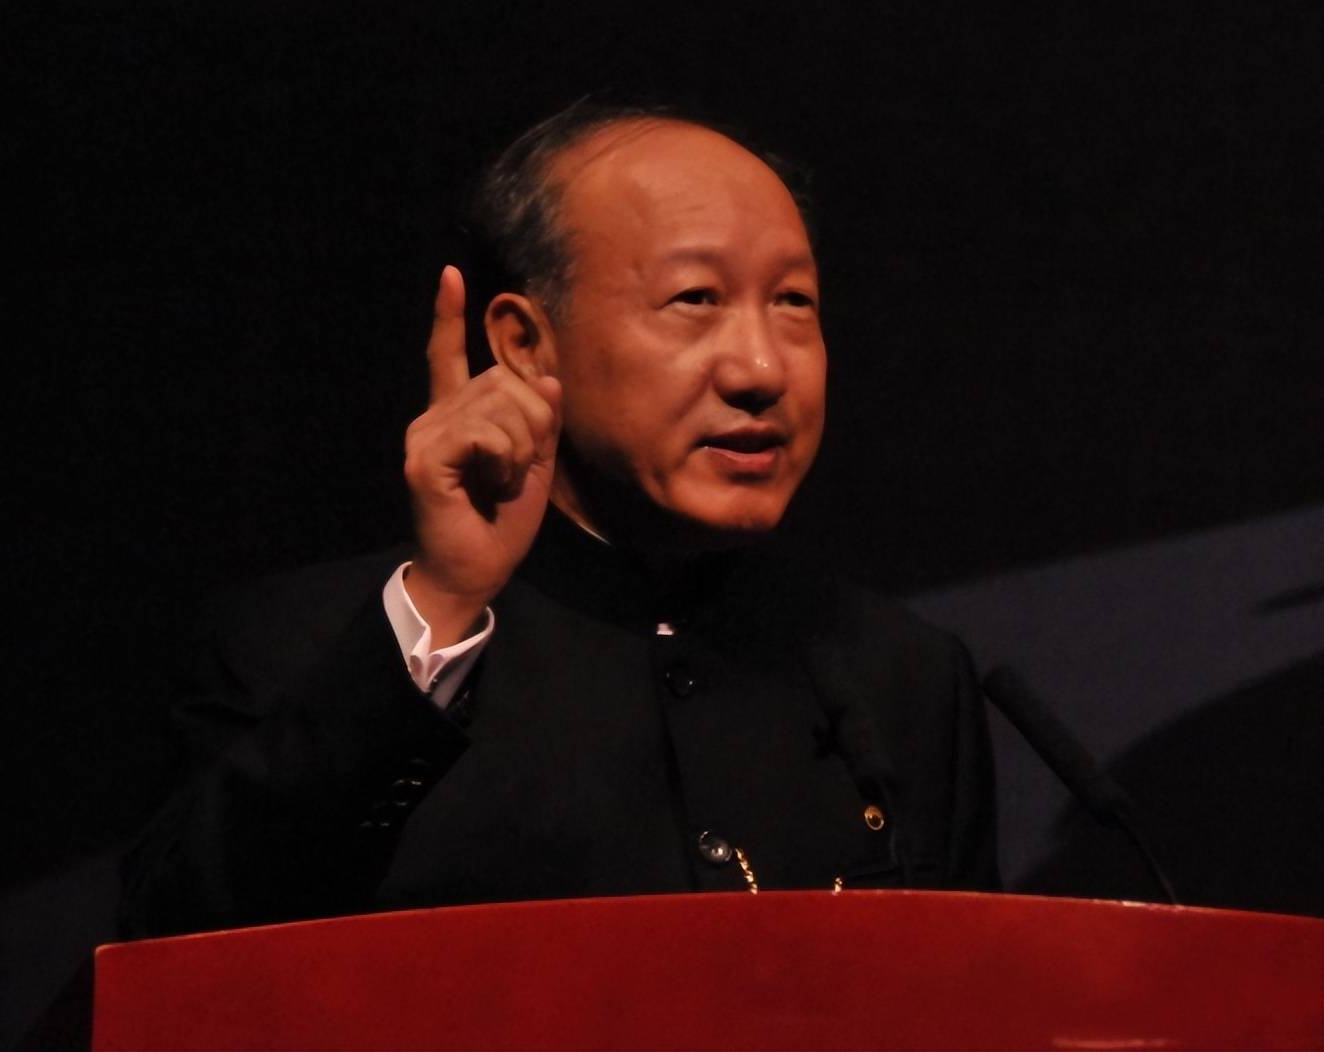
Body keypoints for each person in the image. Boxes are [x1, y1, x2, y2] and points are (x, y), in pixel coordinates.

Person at [118, 102, 998, 939]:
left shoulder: (904, 678)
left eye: (794, 302)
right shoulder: (306, 648)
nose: (761, 369)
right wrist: (445, 603)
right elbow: (172, 967)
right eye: (696, 298)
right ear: (524, 342)